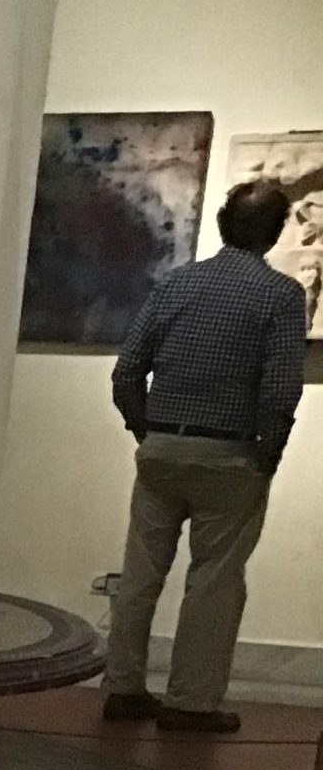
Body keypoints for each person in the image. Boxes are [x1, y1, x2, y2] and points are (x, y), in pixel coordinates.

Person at [101, 178, 307, 734]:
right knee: (214, 581)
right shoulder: (282, 295)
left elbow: (126, 372)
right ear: (276, 232)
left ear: (221, 224)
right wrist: (268, 455)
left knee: (140, 574)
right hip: (230, 454)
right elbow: (280, 390)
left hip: (162, 449)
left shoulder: (177, 283)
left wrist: (145, 430)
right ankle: (190, 702)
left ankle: (122, 687)